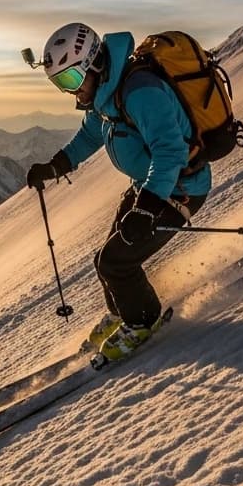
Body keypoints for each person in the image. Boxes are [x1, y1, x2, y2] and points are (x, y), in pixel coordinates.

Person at [26, 22, 210, 361]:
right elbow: (88, 137)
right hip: (149, 188)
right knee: (105, 259)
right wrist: (55, 167)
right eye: (60, 83)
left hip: (179, 188)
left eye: (71, 80)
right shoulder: (105, 96)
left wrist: (148, 207)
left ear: (93, 64)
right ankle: (122, 312)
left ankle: (142, 321)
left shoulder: (140, 93)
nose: (70, 92)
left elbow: (170, 152)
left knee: (116, 262)